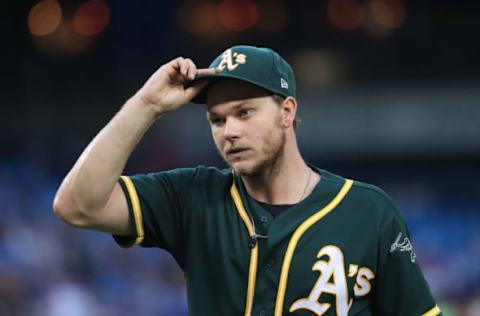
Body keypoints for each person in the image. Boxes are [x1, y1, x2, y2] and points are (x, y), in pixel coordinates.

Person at [53, 45, 442, 316]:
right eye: (217, 120)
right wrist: (147, 105)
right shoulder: (192, 196)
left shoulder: (369, 212)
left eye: (244, 112)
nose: (229, 132)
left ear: (287, 111)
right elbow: (77, 205)